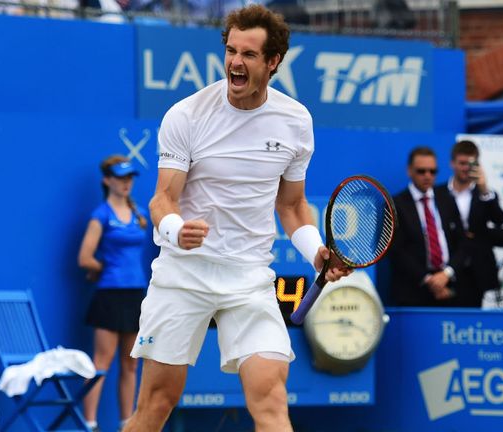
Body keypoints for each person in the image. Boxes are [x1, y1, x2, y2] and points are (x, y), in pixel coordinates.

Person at [123, 6, 350, 431]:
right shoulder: (186, 115)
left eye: (248, 54)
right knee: (156, 404)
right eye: (231, 51)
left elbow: (292, 206)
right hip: (183, 274)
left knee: (272, 400)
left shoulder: (296, 121)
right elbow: (162, 200)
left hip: (248, 278)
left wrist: (315, 253)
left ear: (273, 62)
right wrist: (177, 230)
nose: (235, 63)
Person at [77, 155, 149, 432]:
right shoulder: (101, 215)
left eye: (129, 177)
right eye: (120, 178)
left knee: (131, 365)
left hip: (135, 295)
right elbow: (85, 257)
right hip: (109, 295)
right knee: (101, 364)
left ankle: (127, 424)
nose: (126, 182)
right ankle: (90, 424)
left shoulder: (140, 214)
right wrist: (103, 267)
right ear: (107, 180)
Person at [435, 139, 503, 307]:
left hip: (478, 269)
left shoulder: (485, 193)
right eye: (462, 163)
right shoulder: (438, 193)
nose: (466, 168)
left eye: (471, 163)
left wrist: (484, 189)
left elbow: (499, 220)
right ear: (452, 163)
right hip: (447, 266)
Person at [389, 146, 457, 306]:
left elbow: (461, 241)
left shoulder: (447, 198)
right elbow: (395, 250)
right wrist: (429, 280)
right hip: (412, 291)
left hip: (449, 287)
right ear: (409, 171)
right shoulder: (396, 204)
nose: (427, 176)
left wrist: (446, 274)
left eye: (432, 171)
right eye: (421, 171)